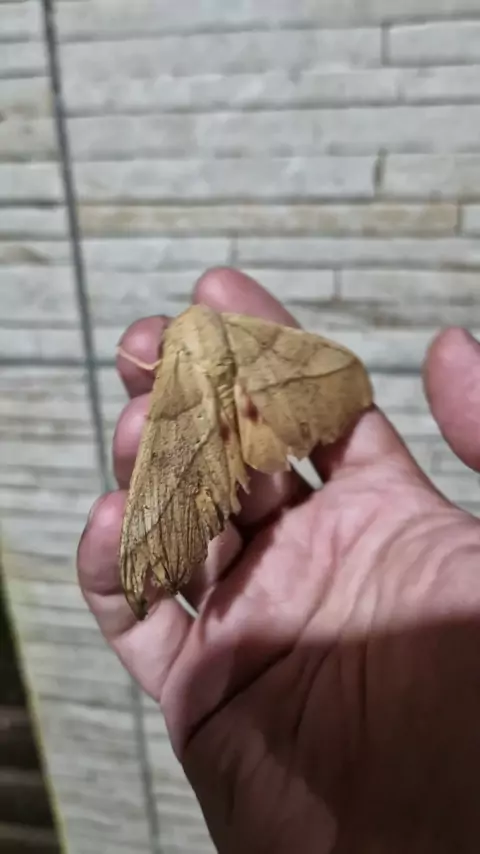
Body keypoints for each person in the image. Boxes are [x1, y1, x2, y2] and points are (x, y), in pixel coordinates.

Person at [77, 268, 480, 853]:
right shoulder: (248, 337)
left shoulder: (177, 361)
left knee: (155, 474)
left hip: (190, 411)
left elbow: (337, 381)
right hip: (249, 388)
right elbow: (331, 374)